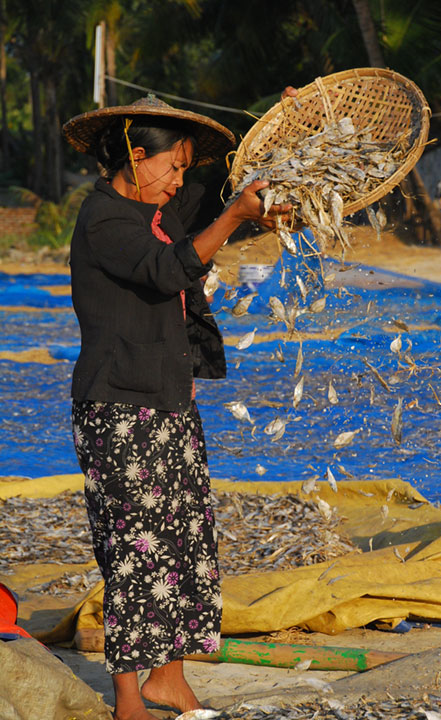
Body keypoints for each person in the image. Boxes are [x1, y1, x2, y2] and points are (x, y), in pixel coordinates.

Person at [62, 92, 294, 720]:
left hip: (168, 403)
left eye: (186, 169)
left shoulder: (166, 204)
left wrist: (277, 125)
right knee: (137, 549)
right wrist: (235, 219)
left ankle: (171, 679)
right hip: (116, 408)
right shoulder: (104, 218)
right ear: (137, 159)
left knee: (184, 542)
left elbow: (230, 188)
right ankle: (128, 696)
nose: (179, 181)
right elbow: (168, 271)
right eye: (172, 166)